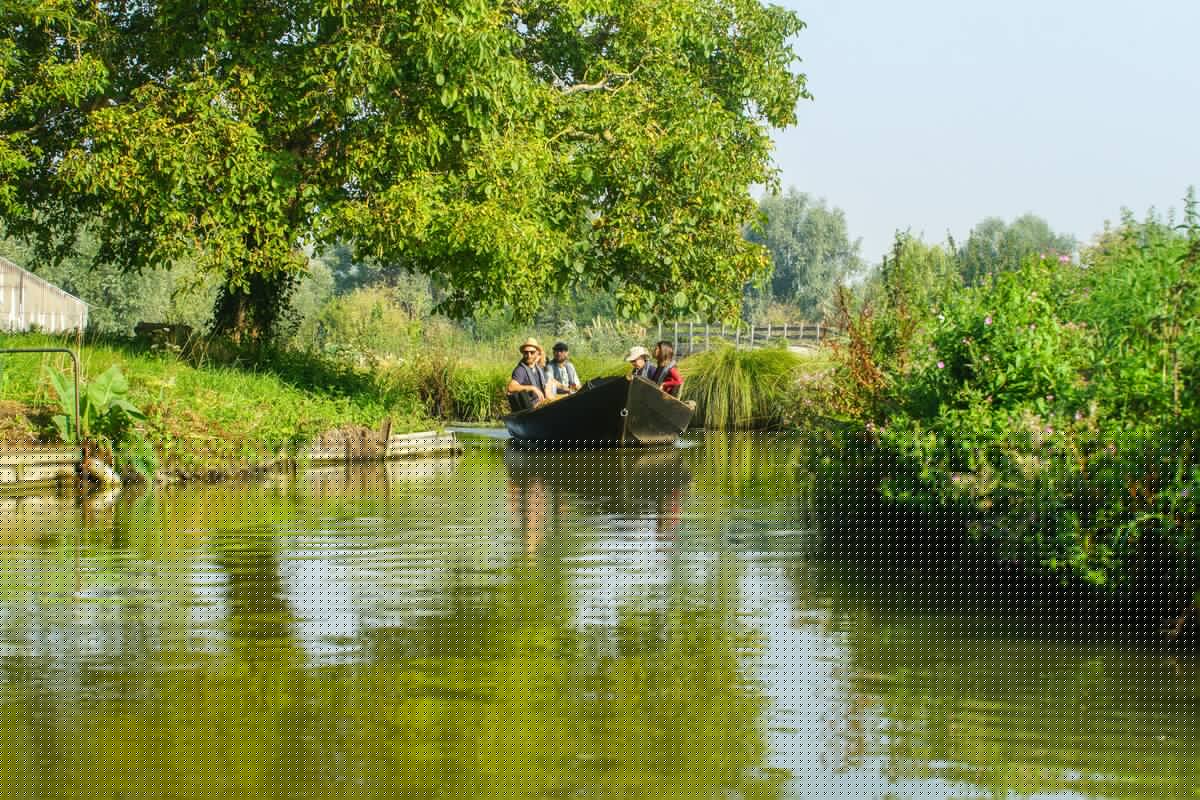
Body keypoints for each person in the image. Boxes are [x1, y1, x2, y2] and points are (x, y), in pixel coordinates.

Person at [507, 337, 551, 410]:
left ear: (537, 353)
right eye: (526, 352)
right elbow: (511, 387)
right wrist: (532, 388)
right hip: (532, 408)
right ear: (523, 353)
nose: (529, 355)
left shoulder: (539, 368)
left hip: (542, 404)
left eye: (532, 352)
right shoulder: (520, 370)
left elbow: (548, 381)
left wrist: (547, 391)